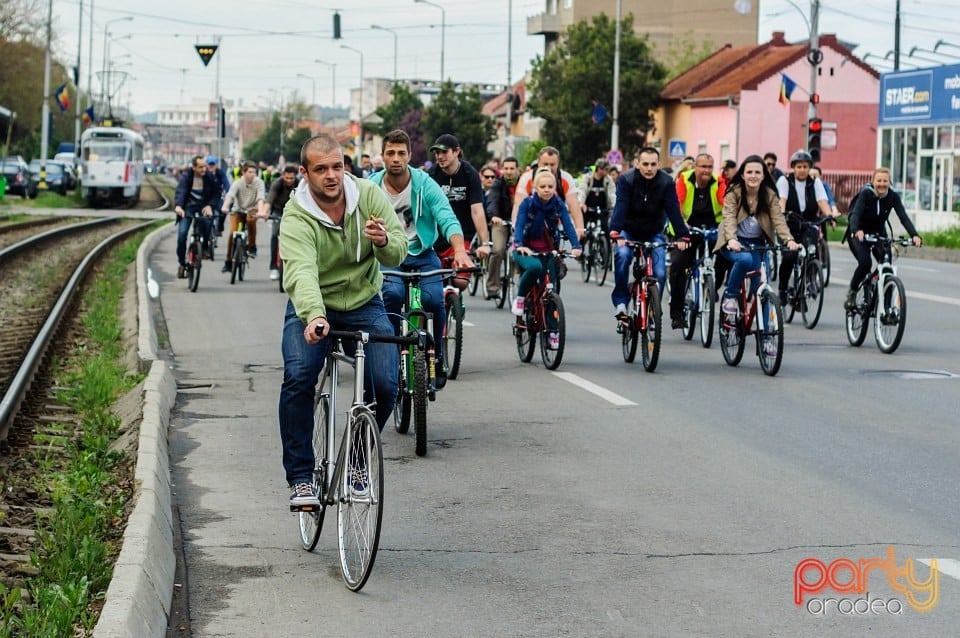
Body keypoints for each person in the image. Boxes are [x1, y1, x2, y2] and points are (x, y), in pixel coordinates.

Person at [278, 134, 407, 508]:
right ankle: (301, 478)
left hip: (365, 301)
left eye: (337, 166)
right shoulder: (297, 213)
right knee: (300, 375)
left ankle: (357, 463)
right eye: (321, 169)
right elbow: (300, 270)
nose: (332, 176)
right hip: (312, 304)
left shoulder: (367, 195)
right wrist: (315, 316)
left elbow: (398, 252)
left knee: (385, 385)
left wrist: (382, 241)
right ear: (305, 173)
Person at [368, 129, 475, 390]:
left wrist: (460, 250)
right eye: (390, 153)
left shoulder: (425, 183)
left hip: (423, 253)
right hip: (388, 253)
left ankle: (437, 356)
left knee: (433, 299)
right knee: (391, 296)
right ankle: (393, 354)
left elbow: (446, 216)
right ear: (382, 156)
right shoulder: (370, 186)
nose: (395, 158)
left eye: (401, 153)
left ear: (409, 156)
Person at [716, 155, 799, 341]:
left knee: (762, 288)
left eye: (757, 172)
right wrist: (731, 239)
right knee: (744, 261)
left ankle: (767, 337)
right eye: (749, 172)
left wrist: (788, 240)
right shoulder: (734, 192)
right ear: (743, 175)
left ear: (763, 175)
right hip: (733, 242)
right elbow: (728, 218)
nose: (753, 176)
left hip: (757, 244)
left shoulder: (769, 195)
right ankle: (730, 296)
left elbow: (779, 220)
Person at [609, 147, 690, 318]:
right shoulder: (626, 179)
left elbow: (673, 209)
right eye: (645, 164)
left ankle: (653, 308)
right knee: (622, 256)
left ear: (658, 165)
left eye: (653, 164)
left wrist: (682, 235)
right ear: (637, 164)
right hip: (628, 231)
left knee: (660, 274)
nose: (649, 168)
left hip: (653, 232)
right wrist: (615, 230)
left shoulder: (667, 182)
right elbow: (621, 205)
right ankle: (621, 301)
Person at [844, 167, 922, 310]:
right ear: (873, 182)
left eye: (885, 181)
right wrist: (856, 230)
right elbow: (855, 214)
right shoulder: (866, 194)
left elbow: (903, 217)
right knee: (865, 263)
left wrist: (914, 235)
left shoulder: (892, 197)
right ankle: (852, 292)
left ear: (889, 182)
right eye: (878, 180)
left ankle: (886, 308)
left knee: (887, 268)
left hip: (879, 234)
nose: (882, 184)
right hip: (859, 234)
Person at [512, 168, 582, 316]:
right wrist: (519, 244)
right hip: (526, 249)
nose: (546, 190)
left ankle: (553, 332)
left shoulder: (558, 204)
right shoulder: (527, 203)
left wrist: (576, 245)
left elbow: (568, 225)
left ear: (555, 188)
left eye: (550, 187)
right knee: (535, 267)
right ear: (535, 188)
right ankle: (520, 298)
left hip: (548, 251)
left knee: (552, 289)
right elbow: (519, 225)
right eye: (542, 187)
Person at [668, 153, 726, 329]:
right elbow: (676, 204)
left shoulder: (719, 182)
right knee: (678, 264)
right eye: (702, 166)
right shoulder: (684, 180)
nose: (706, 171)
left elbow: (726, 203)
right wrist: (681, 226)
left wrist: (726, 223)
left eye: (709, 167)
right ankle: (677, 313)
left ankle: (713, 287)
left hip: (712, 230)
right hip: (686, 230)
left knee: (727, 254)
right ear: (695, 167)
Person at [776, 150, 838, 303]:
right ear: (793, 167)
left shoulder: (814, 182)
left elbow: (822, 201)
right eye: (799, 167)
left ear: (809, 167)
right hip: (789, 224)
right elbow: (781, 200)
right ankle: (783, 289)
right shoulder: (785, 181)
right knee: (790, 256)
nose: (802, 170)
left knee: (812, 250)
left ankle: (808, 281)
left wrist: (829, 215)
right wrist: (782, 214)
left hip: (808, 223)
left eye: (805, 167)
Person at [426, 134, 491, 258]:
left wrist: (485, 243)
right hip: (437, 238)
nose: (440, 156)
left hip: (463, 235)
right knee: (436, 276)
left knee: (460, 275)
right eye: (437, 153)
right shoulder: (431, 175)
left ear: (457, 151)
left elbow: (477, 210)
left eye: (444, 152)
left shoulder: (470, 174)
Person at [512, 146, 585, 237]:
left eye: (552, 164)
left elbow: (574, 205)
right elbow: (518, 204)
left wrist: (580, 228)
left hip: (555, 223)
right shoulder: (527, 178)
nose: (549, 168)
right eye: (545, 164)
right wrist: (516, 227)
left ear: (558, 164)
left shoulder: (566, 178)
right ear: (538, 163)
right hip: (531, 224)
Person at [173, 155, 219, 279]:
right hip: (188, 207)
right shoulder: (186, 177)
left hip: (203, 206)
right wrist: (178, 206)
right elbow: (181, 192)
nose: (204, 169)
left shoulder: (210, 177)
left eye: (205, 167)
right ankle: (182, 263)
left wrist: (210, 205)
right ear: (193, 167)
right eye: (200, 167)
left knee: (208, 222)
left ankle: (204, 248)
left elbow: (216, 193)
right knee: (182, 236)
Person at [220, 161, 267, 273]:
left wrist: (260, 211)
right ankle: (228, 261)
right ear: (243, 172)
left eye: (254, 172)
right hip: (238, 210)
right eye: (250, 172)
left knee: (251, 221)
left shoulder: (259, 183)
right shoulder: (237, 183)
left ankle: (252, 246)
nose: (253, 175)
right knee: (232, 233)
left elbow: (260, 198)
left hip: (252, 209)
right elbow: (230, 196)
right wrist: (225, 207)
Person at [484, 156, 521, 299]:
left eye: (512, 168)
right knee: (498, 250)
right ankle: (492, 286)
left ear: (517, 169)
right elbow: (492, 200)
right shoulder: (498, 183)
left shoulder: (523, 183)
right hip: (501, 221)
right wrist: (493, 216)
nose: (509, 171)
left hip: (519, 222)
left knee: (523, 250)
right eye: (506, 168)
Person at [266, 165, 298, 280]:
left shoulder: (299, 184)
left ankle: (295, 266)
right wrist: (264, 211)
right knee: (274, 235)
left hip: (294, 213)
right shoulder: (277, 183)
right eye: (287, 178)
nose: (289, 181)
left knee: (298, 237)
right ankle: (274, 267)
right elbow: (269, 199)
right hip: (278, 211)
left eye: (291, 178)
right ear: (283, 176)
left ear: (295, 177)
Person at [577, 157, 617, 229]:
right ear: (599, 169)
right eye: (606, 169)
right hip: (587, 210)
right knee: (583, 230)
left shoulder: (608, 180)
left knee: (606, 231)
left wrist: (615, 206)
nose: (608, 172)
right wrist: (581, 203)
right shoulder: (587, 178)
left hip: (603, 211)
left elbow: (612, 194)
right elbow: (582, 190)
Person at [206, 156, 231, 239]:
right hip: (205, 198)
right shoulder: (204, 173)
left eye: (213, 164)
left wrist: (228, 192)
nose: (211, 166)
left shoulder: (220, 173)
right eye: (210, 164)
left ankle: (219, 228)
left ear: (216, 165)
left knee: (223, 210)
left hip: (217, 197)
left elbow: (226, 183)